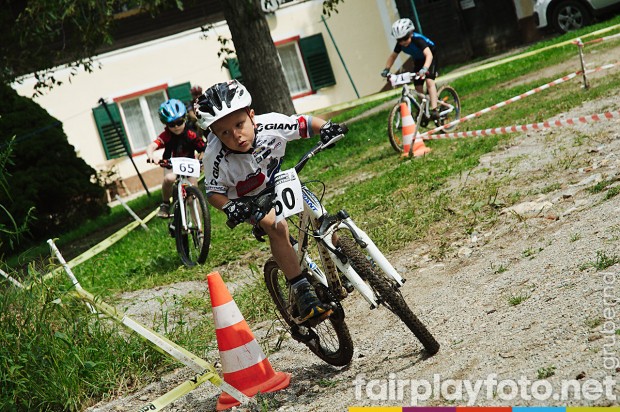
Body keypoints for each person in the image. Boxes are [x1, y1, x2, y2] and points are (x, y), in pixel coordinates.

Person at [194, 80, 347, 322]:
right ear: (213, 134)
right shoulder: (214, 157)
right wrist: (229, 207)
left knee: (317, 209)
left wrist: (326, 127)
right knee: (278, 226)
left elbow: (304, 123)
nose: (235, 135)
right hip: (245, 200)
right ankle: (301, 289)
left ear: (252, 116)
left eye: (239, 124)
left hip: (276, 182)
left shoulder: (270, 124)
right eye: (224, 132)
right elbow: (213, 193)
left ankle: (346, 257)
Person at [146, 98, 206, 218]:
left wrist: (202, 158)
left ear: (184, 119)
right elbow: (152, 145)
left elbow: (203, 148)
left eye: (179, 122)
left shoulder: (191, 134)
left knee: (193, 197)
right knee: (169, 178)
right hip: (171, 165)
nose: (176, 127)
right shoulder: (166, 135)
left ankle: (200, 230)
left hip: (189, 165)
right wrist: (151, 155)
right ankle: (165, 203)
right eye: (172, 124)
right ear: (166, 125)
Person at [381, 18, 439, 120]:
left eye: (405, 38)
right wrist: (386, 69)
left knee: (429, 81)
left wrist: (425, 69)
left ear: (411, 33)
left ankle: (435, 110)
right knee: (418, 86)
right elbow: (393, 57)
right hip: (418, 60)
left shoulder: (418, 40)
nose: (403, 42)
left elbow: (429, 55)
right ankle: (423, 110)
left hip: (430, 57)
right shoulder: (400, 45)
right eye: (399, 40)